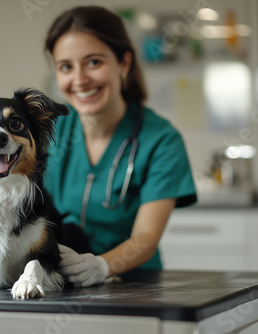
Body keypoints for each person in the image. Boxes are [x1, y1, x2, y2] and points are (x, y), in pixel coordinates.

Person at [43, 6, 197, 287]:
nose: (79, 79)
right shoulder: (49, 132)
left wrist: (101, 266)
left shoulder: (161, 140)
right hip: (56, 283)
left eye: (93, 62)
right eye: (66, 66)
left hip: (134, 286)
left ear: (124, 63)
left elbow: (145, 239)